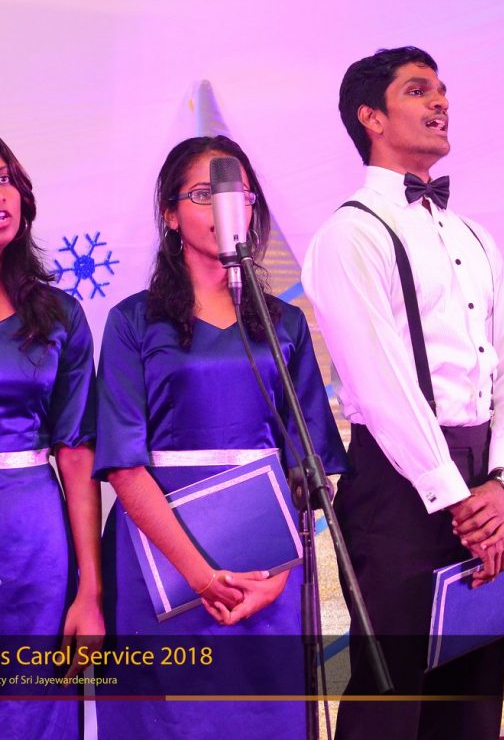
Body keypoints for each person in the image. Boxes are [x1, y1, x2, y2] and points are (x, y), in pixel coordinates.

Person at [301, 47, 504, 740]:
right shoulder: (350, 233)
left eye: (442, 90)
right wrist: (456, 496)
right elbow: (380, 384)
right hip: (398, 484)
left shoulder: (474, 236)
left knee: (474, 692)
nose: (440, 102)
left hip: (482, 477)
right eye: (417, 90)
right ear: (371, 117)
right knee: (393, 694)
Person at [93, 135, 347, 740]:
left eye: (238, 194)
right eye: (204, 194)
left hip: (268, 572)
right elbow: (123, 464)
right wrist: (201, 576)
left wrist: (276, 577)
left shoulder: (285, 324)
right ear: (170, 213)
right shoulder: (132, 321)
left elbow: (309, 467)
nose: (225, 207)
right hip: (157, 565)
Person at [0, 138, 103, 739]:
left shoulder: (59, 315)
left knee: (33, 707)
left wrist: (90, 589)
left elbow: (78, 452)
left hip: (34, 540)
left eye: (3, 178)